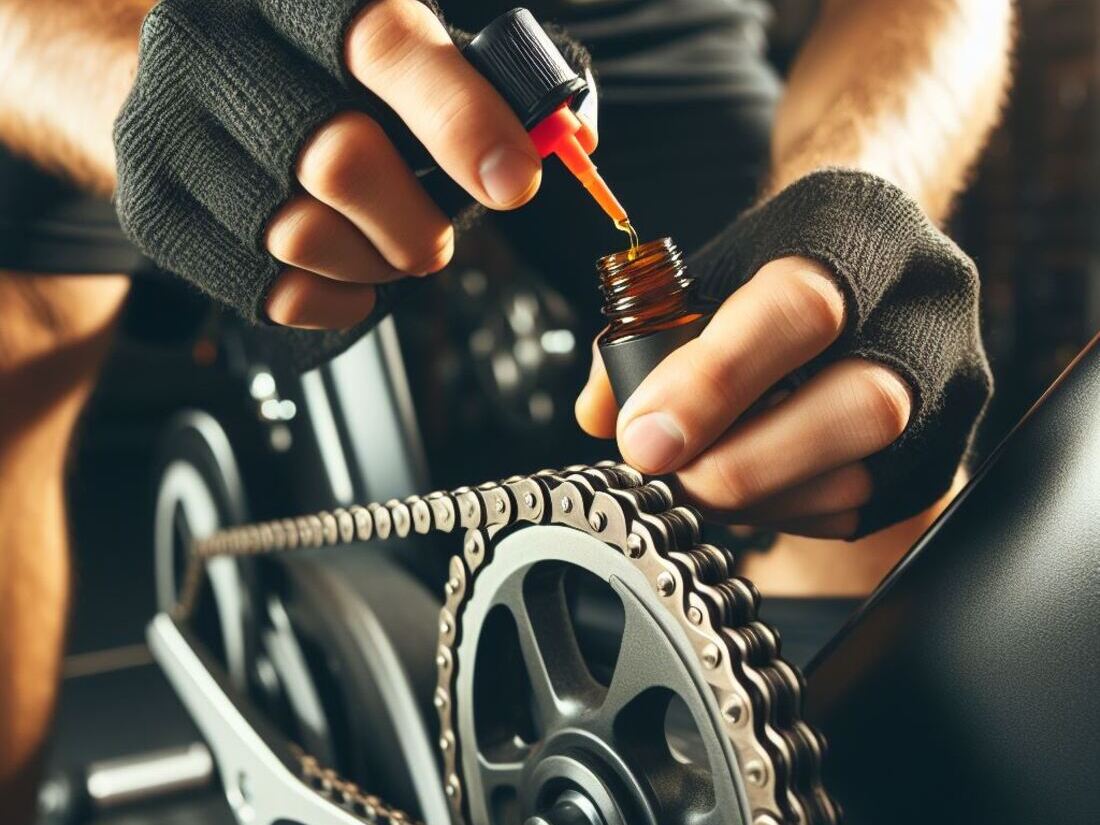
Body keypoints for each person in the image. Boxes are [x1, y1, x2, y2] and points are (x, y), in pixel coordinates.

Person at [0, 0, 1013, 820]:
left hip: (617, 35)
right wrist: (117, 77)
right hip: (142, 21)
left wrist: (863, 184)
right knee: (16, 356)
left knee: (841, 458)